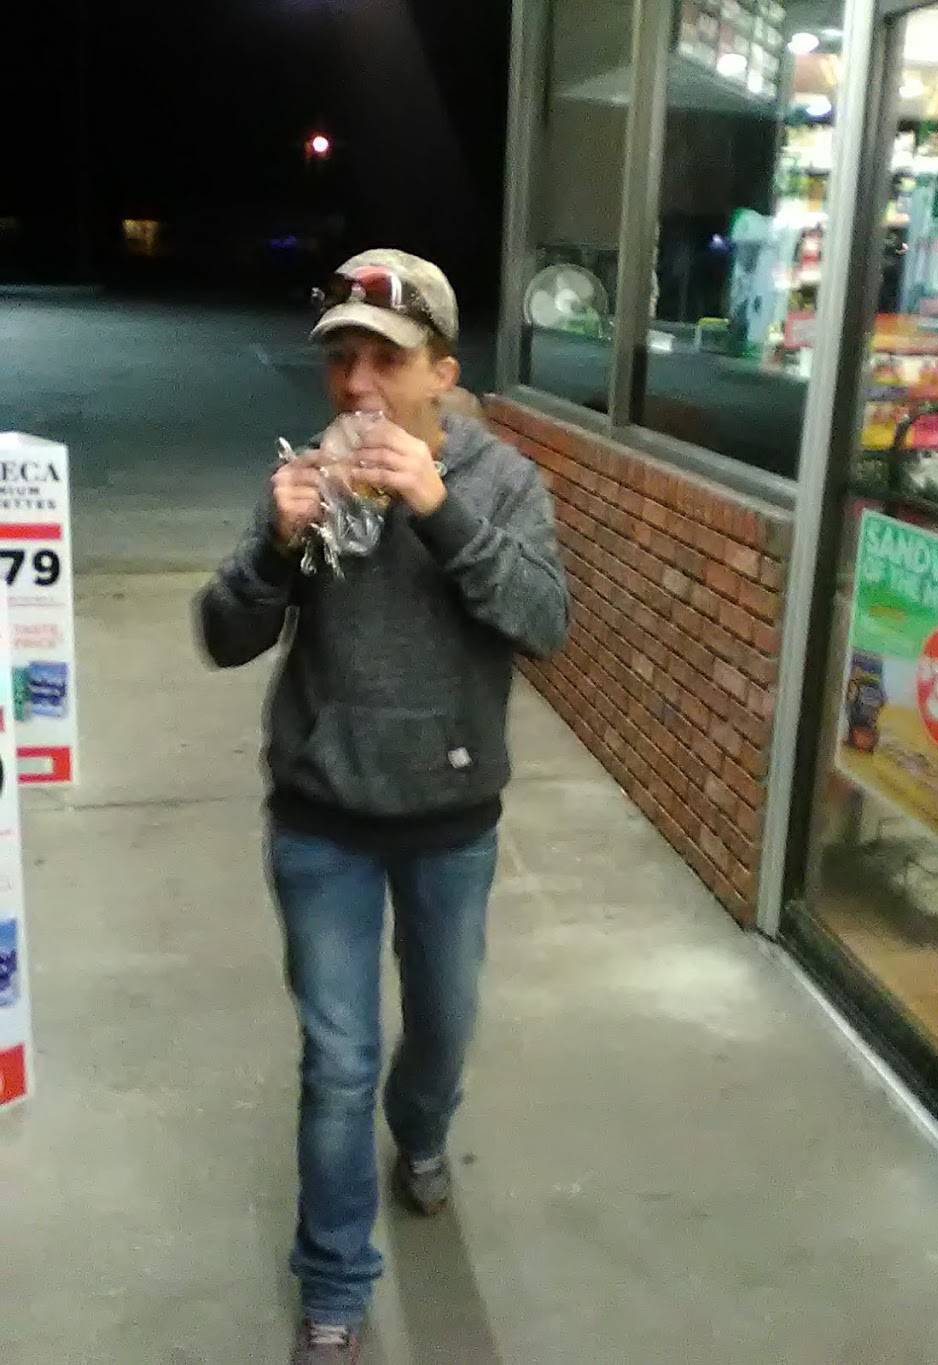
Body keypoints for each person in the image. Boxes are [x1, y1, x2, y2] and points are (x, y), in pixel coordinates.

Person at [196, 249, 569, 1364]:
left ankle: (423, 1131)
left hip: (451, 819)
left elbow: (544, 623)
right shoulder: (305, 477)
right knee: (338, 1062)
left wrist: (439, 509)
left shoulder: (502, 482)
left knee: (441, 1030)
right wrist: (273, 547)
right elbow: (223, 633)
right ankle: (334, 1284)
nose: (358, 386)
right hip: (324, 819)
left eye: (386, 361)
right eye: (341, 362)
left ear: (442, 373)